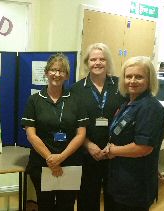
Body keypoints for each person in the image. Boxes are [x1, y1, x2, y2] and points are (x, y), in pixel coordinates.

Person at [21, 53, 88, 211]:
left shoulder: (76, 100)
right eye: (53, 70)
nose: (57, 74)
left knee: (67, 205)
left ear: (67, 76)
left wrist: (61, 158)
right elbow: (31, 135)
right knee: (45, 205)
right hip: (42, 164)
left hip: (70, 164)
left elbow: (81, 134)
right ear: (46, 72)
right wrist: (51, 159)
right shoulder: (34, 100)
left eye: (61, 71)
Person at [106, 56, 164, 211]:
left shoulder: (150, 108)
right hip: (119, 181)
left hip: (135, 187)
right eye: (128, 76)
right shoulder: (128, 103)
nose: (132, 81)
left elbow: (143, 148)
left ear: (149, 80)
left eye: (139, 77)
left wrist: (112, 151)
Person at [71, 43, 124, 211]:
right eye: (93, 59)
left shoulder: (120, 86)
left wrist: (113, 148)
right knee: (87, 198)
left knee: (114, 198)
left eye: (102, 59)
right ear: (87, 62)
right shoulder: (76, 89)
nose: (98, 63)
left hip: (115, 153)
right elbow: (71, 123)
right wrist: (88, 145)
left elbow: (127, 118)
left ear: (108, 62)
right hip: (87, 153)